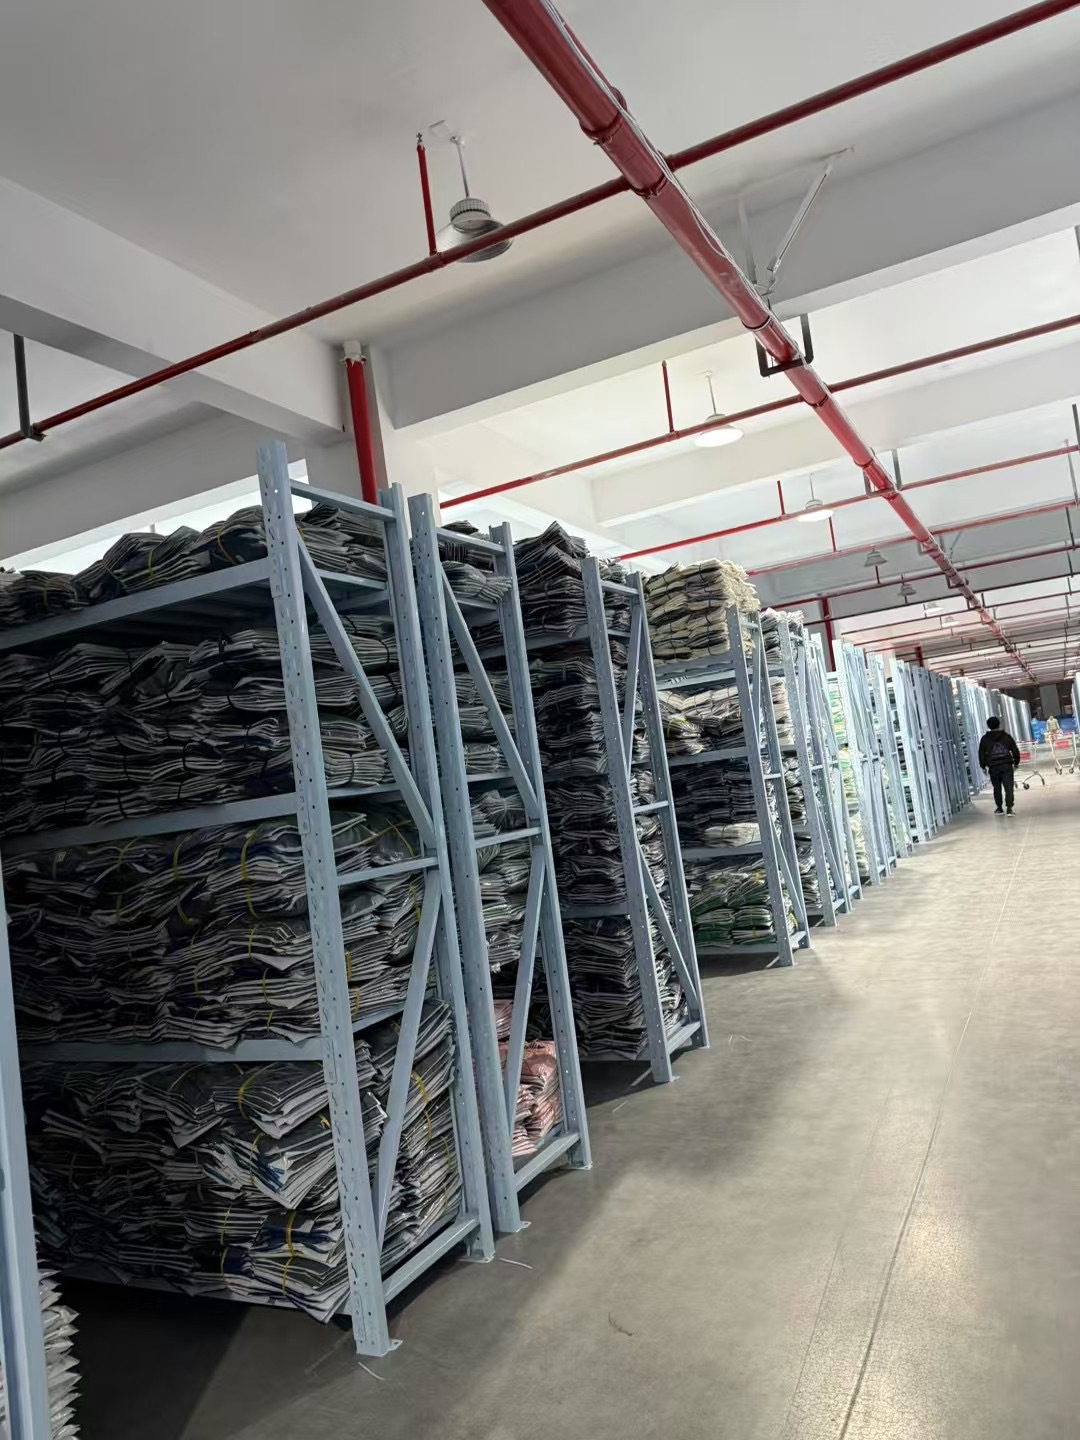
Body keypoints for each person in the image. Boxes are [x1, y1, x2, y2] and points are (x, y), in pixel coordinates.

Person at [978, 716, 1020, 814]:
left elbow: (981, 753)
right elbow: (1015, 749)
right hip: (1006, 765)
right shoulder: (1006, 736)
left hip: (993, 767)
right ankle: (1009, 808)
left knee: (997, 788)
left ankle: (999, 808)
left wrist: (983, 766)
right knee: (1008, 787)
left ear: (988, 726)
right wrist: (1016, 762)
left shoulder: (985, 739)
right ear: (999, 724)